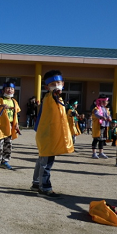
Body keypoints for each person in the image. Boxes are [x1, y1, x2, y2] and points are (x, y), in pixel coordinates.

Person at [31, 70, 74, 198]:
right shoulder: (50, 97)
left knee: (41, 159)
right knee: (46, 162)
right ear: (47, 87)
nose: (56, 86)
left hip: (47, 135)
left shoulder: (57, 99)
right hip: (47, 136)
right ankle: (45, 187)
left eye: (58, 83)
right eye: (53, 84)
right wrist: (54, 93)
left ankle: (36, 183)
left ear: (63, 84)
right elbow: (53, 95)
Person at [0, 82, 21, 170]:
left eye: (12, 89)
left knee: (8, 145)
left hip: (10, 126)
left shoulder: (14, 102)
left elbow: (16, 114)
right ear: (3, 90)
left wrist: (17, 124)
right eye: (8, 88)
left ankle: (5, 161)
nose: (10, 90)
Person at [91, 94, 111, 159]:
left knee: (102, 140)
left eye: (107, 101)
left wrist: (109, 118)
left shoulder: (106, 109)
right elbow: (96, 115)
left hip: (104, 125)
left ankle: (101, 152)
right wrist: (101, 117)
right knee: (96, 139)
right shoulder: (96, 109)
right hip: (98, 126)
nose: (106, 103)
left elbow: (108, 115)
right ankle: (94, 153)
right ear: (101, 101)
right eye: (105, 101)